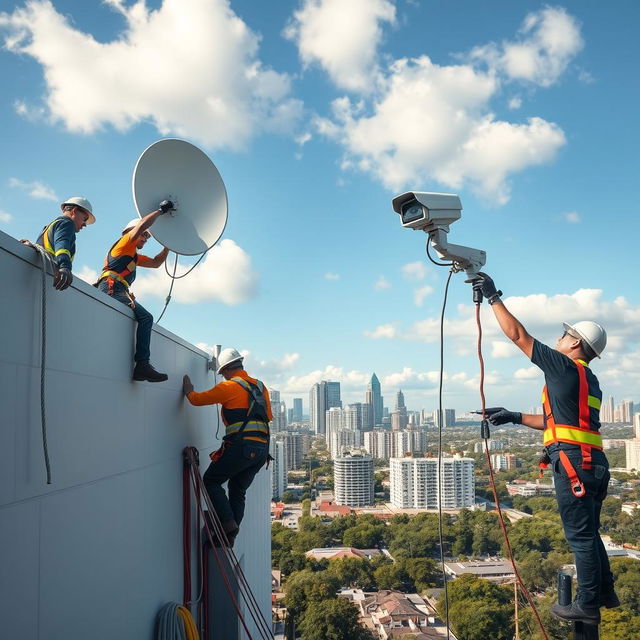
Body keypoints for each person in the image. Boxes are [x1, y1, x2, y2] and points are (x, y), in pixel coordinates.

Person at [472, 272, 618, 625]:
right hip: (591, 462)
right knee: (589, 532)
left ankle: (587, 604)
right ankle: (604, 590)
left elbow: (518, 335)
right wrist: (515, 416)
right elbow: (563, 423)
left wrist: (493, 297)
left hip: (574, 464)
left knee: (579, 535)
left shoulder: (564, 365)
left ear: (576, 344)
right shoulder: (589, 379)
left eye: (566, 335)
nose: (560, 338)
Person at [182, 348, 272, 546]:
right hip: (262, 450)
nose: (222, 377)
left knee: (212, 480)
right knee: (237, 489)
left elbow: (197, 400)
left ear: (226, 370)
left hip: (241, 447)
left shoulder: (229, 386)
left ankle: (227, 524)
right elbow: (268, 417)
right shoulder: (260, 386)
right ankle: (229, 536)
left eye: (222, 373)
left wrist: (188, 390)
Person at [96, 200, 173, 382]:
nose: (145, 239)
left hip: (118, 289)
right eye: (144, 236)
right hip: (112, 288)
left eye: (147, 237)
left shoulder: (133, 256)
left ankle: (142, 365)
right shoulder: (124, 243)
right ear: (132, 232)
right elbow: (141, 226)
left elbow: (156, 263)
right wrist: (160, 211)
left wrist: (168, 245)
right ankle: (142, 365)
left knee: (145, 317)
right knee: (146, 318)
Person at [35, 196, 95, 290]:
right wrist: (65, 267)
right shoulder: (66, 224)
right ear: (74, 211)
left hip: (42, 271)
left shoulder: (53, 225)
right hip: (49, 273)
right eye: (85, 218)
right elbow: (61, 245)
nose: (85, 224)